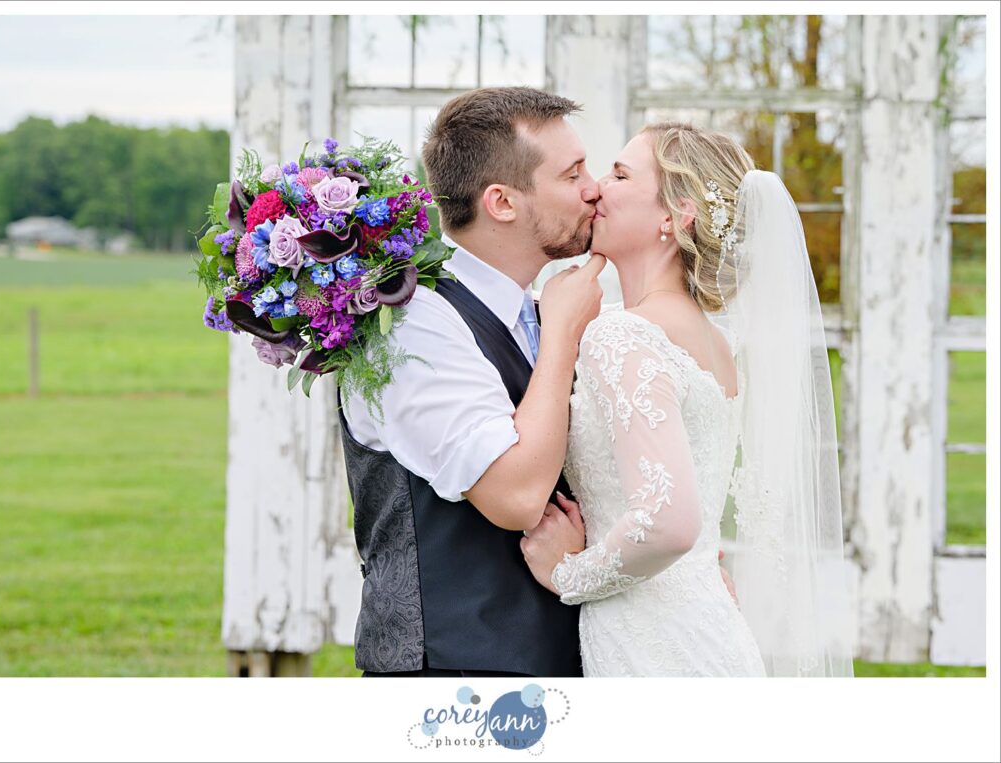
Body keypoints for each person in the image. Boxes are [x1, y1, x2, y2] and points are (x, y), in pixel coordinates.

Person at [520, 122, 854, 677]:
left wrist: (566, 575)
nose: (597, 187)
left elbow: (670, 523)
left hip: (649, 644)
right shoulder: (713, 343)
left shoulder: (623, 335)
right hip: (708, 624)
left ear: (674, 217)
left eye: (621, 174)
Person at [339, 87, 603, 677]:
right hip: (455, 684)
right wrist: (561, 339)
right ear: (502, 202)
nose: (594, 188)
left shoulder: (542, 308)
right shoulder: (408, 323)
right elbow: (514, 496)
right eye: (572, 174)